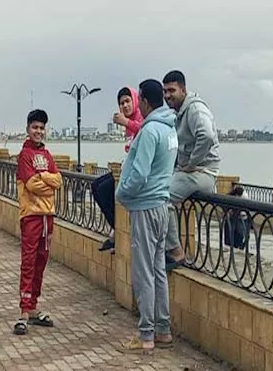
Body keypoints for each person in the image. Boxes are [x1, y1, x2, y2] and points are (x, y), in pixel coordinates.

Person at [115, 79, 178, 353]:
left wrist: (122, 193)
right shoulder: (169, 129)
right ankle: (163, 330)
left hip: (145, 207)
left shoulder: (151, 130)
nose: (137, 103)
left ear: (144, 100)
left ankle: (146, 336)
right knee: (158, 270)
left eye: (138, 98)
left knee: (144, 274)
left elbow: (139, 173)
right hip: (162, 206)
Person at [162, 70, 221, 271]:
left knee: (162, 197)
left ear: (183, 90)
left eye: (172, 90)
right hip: (191, 172)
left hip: (203, 173)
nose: (167, 95)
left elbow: (207, 136)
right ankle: (165, 246)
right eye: (165, 91)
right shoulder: (179, 113)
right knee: (156, 190)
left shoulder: (195, 109)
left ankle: (176, 251)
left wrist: (192, 163)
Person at [13, 109, 62, 336]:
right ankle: (24, 310)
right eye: (35, 127)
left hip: (47, 217)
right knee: (29, 261)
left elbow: (58, 180)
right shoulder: (25, 155)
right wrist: (46, 182)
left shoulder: (47, 154)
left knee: (41, 261)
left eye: (42, 128)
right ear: (28, 129)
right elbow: (32, 185)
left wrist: (43, 177)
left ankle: (33, 306)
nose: (38, 131)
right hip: (31, 215)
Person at [100, 87, 145, 252]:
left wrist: (125, 122)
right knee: (97, 186)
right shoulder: (130, 122)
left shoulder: (140, 117)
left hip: (137, 172)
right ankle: (116, 227)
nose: (125, 106)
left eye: (127, 101)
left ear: (135, 101)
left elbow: (145, 130)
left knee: (106, 190)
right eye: (121, 103)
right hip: (127, 168)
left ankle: (118, 231)